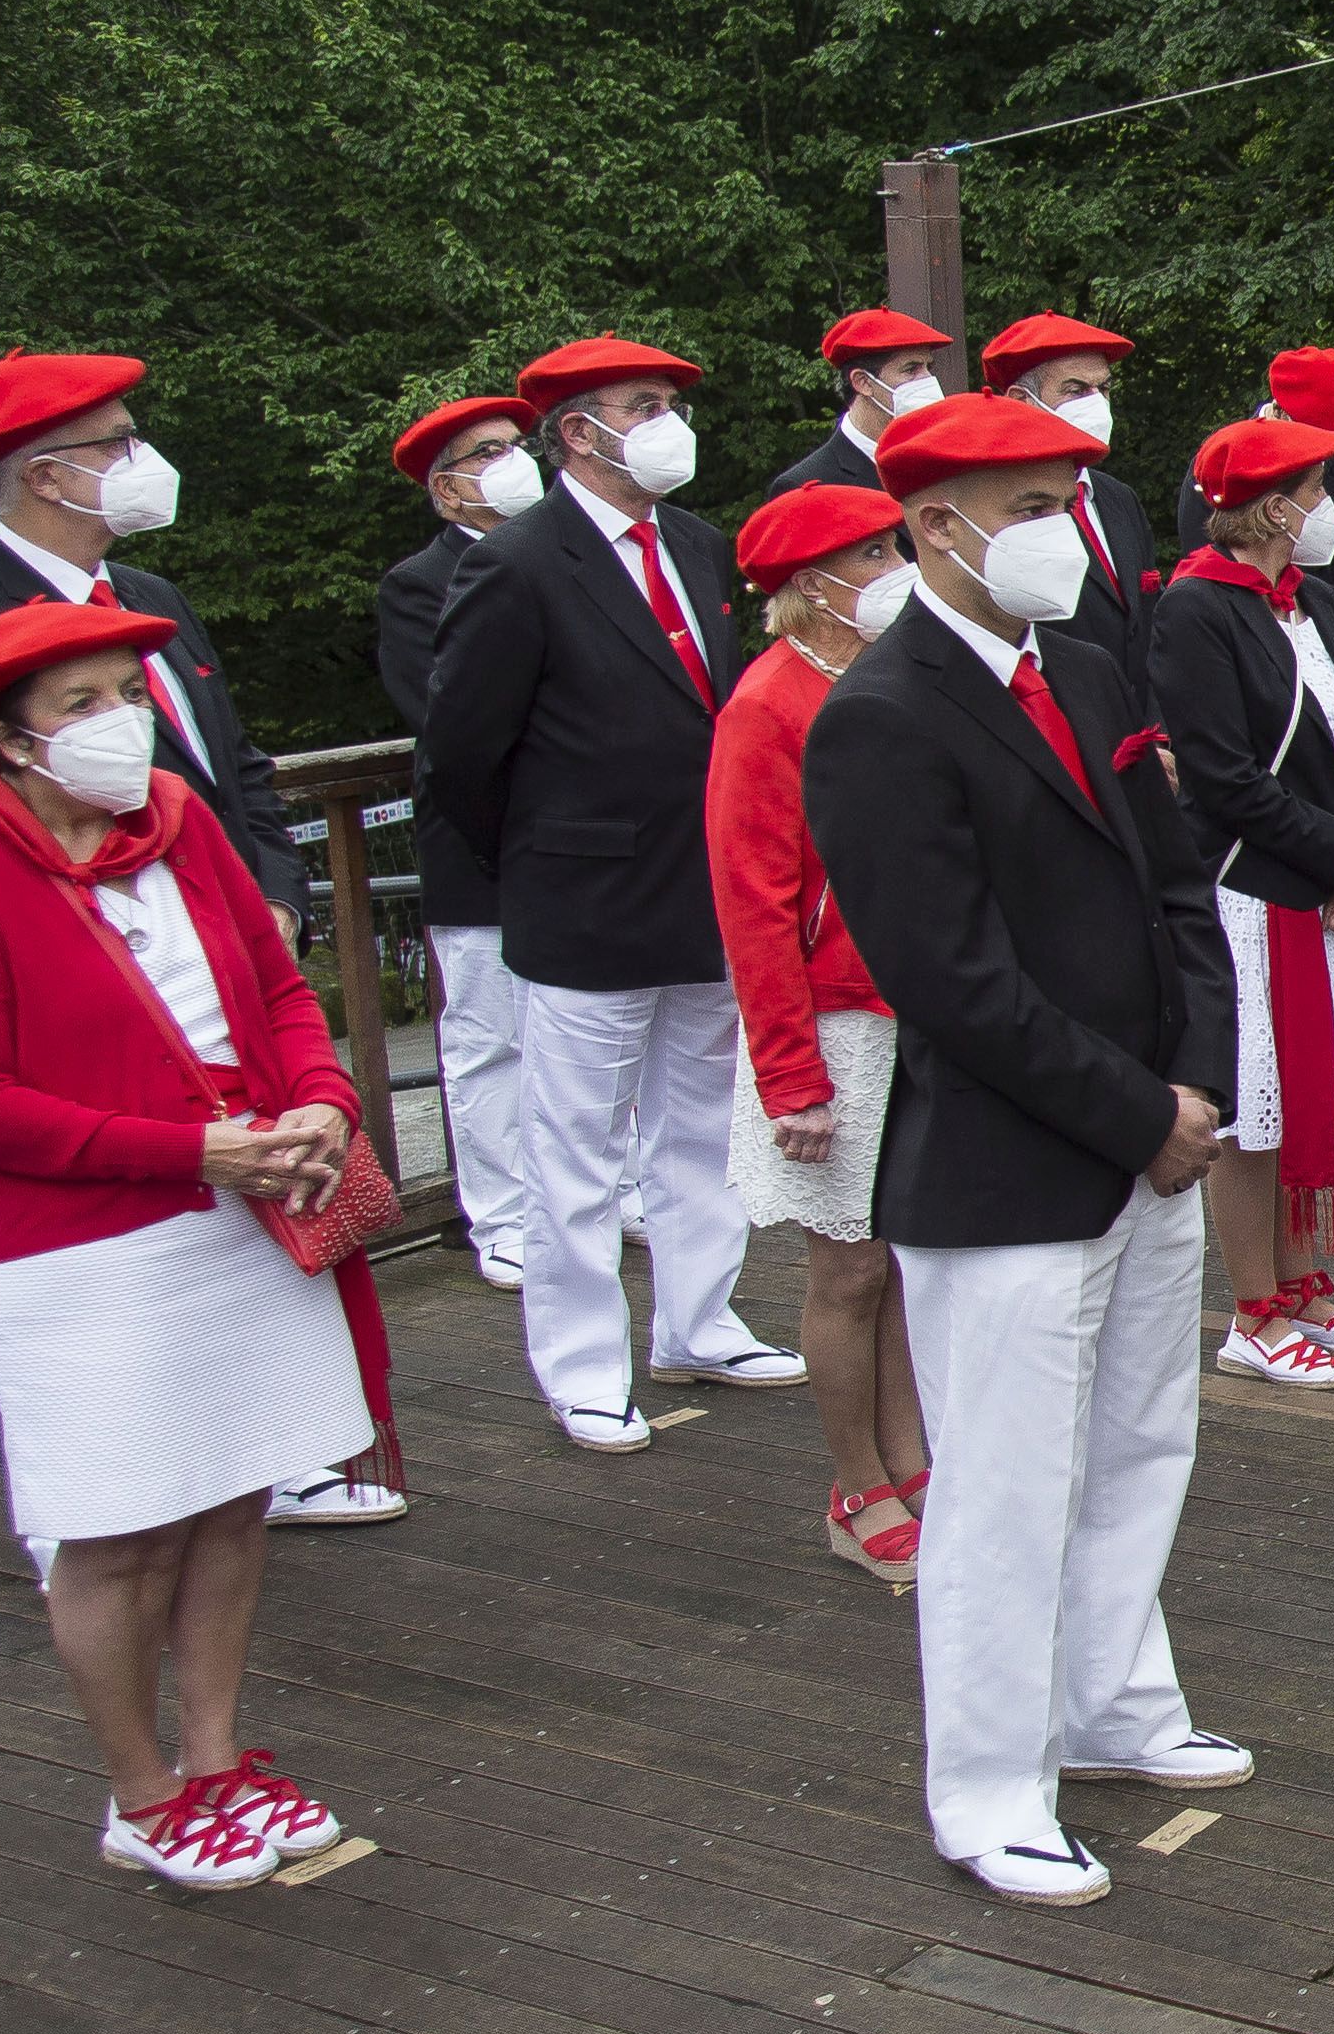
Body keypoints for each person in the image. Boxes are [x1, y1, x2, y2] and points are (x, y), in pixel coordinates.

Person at [807, 390, 1249, 1903]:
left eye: (1067, 497)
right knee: (1002, 1485)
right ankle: (989, 1784)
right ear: (935, 526)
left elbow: (1176, 889)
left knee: (1140, 1441)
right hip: (1012, 1168)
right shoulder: (878, 714)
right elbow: (947, 980)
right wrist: (1138, 1113)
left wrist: (1195, 1080)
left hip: (1153, 1139)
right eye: (1030, 505)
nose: (1066, 528)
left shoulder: (1082, 659)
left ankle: (1113, 1699)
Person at [0, 600, 386, 1890]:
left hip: (246, 1204)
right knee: (118, 1527)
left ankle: (214, 1758)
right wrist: (188, 1151)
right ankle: (141, 1794)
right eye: (82, 703)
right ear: (6, 741)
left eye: (128, 689)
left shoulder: (177, 815)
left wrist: (322, 1099)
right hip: (86, 1241)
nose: (124, 721)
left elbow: (275, 989)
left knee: (231, 1495)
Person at [424, 334, 805, 1449]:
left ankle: (698, 1320)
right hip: (580, 897)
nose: (668, 422)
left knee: (697, 1128)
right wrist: (542, 858)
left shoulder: (694, 544)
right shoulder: (517, 560)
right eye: (643, 405)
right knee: (576, 1150)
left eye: (669, 402)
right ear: (579, 434)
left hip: (704, 888)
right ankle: (584, 1365)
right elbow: (461, 752)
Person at [706, 483, 936, 1585]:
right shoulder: (767, 702)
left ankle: (908, 1456)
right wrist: (789, 1073)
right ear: (810, 583)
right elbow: (752, 900)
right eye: (873, 551)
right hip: (831, 1023)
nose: (895, 563)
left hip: (911, 1007)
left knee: (898, 1258)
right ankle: (856, 1485)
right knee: (845, 1268)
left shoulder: (888, 676)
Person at [1150, 416, 1334, 1385]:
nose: (1327, 510)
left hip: (1325, 885)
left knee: (1312, 1096)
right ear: (1269, 506)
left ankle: (1307, 1285)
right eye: (1313, 491)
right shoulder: (1197, 610)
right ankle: (1251, 1312)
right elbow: (1219, 775)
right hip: (1250, 890)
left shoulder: (1314, 606)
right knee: (1254, 1114)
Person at [0, 351, 306, 919]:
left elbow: (235, 768)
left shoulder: (153, 596)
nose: (143, 459)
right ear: (46, 478)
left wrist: (281, 901)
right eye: (119, 442)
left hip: (238, 920)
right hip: (121, 936)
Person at [376, 395, 549, 1323]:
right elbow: (449, 717)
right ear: (448, 488)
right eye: (488, 453)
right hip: (478, 839)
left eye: (517, 446)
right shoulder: (418, 582)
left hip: (575, 847)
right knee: (489, 1040)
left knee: (590, 1033)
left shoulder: (566, 553)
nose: (513, 462)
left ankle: (606, 1197)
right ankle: (505, 1217)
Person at [972, 313, 1164, 668]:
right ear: (1020, 401)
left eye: (1103, 389)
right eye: (1076, 390)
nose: (1097, 404)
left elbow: (1148, 624)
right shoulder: (996, 508)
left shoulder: (1118, 498)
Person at [1173, 344, 1334, 558]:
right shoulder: (1220, 463)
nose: (1323, 454)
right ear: (1283, 415)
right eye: (1317, 438)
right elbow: (1201, 557)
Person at [763, 308, 955, 500]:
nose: (928, 380)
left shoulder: (941, 462)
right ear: (863, 382)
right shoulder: (806, 485)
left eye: (928, 367)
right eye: (911, 369)